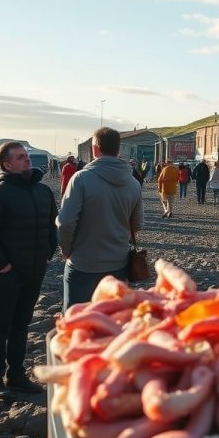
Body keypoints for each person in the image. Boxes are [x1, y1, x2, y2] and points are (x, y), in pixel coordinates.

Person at [0, 142, 58, 397]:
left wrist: (47, 254)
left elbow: (51, 227)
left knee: (22, 324)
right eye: (21, 157)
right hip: (7, 272)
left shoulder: (43, 191)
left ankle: (16, 375)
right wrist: (3, 265)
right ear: (6, 164)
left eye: (27, 156)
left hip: (35, 268)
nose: (27, 160)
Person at [57, 127, 144, 310]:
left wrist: (67, 251)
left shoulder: (80, 179)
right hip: (119, 262)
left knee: (76, 321)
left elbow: (65, 223)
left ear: (94, 149)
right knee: (112, 321)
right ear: (118, 150)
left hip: (83, 263)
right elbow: (137, 224)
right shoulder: (133, 183)